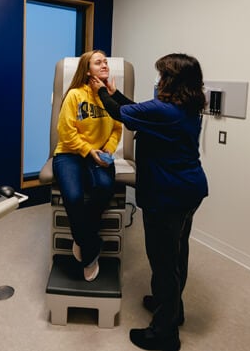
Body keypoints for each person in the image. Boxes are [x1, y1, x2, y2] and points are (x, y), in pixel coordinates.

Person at [91, 53, 208, 351]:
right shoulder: (188, 107)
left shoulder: (165, 110)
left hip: (167, 196)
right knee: (178, 253)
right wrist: (115, 93)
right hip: (189, 191)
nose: (157, 80)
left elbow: (121, 114)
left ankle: (164, 335)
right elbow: (139, 111)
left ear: (171, 80)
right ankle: (172, 310)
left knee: (163, 263)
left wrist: (101, 89)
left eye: (160, 75)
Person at [52, 50, 122, 282]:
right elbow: (66, 132)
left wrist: (109, 151)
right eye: (98, 62)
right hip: (71, 153)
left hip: (100, 153)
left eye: (106, 62)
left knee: (103, 187)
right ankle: (90, 245)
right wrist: (87, 151)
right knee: (72, 197)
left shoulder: (108, 97)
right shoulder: (74, 95)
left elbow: (117, 129)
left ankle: (82, 236)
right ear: (87, 69)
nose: (104, 65)